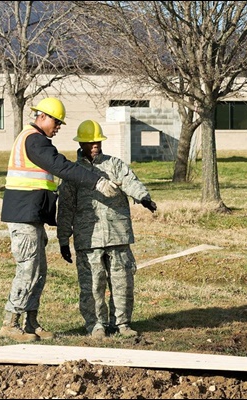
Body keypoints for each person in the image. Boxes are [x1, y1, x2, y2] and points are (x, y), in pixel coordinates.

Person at [0, 98, 121, 343]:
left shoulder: (34, 139)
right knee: (28, 269)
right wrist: (96, 182)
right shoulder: (34, 140)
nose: (58, 127)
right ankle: (10, 322)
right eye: (56, 121)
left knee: (39, 270)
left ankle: (30, 322)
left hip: (31, 215)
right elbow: (60, 166)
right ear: (42, 116)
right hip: (24, 216)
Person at [56, 119, 157, 339]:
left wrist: (143, 198)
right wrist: (63, 239)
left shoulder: (114, 165)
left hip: (118, 234)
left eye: (98, 141)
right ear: (81, 143)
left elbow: (130, 181)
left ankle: (122, 324)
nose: (95, 145)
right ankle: (96, 325)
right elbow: (65, 208)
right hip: (88, 238)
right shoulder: (72, 173)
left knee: (122, 283)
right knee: (92, 285)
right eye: (91, 142)